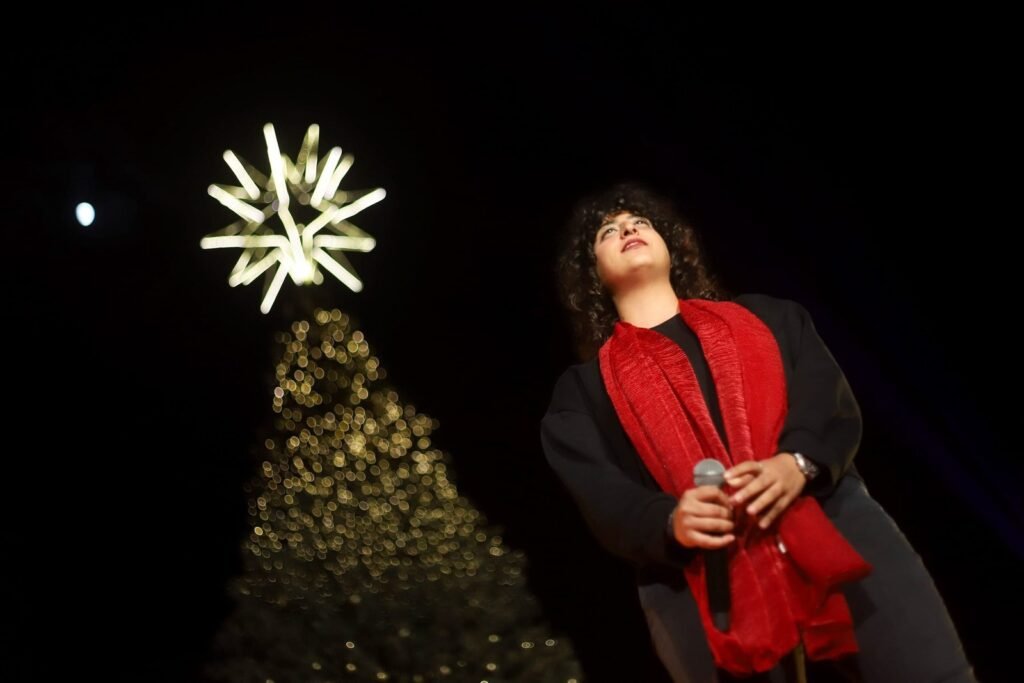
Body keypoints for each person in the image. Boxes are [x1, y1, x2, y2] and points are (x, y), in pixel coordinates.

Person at [539, 182, 977, 682]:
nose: (628, 229)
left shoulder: (772, 318)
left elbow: (829, 405)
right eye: (607, 232)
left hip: (833, 524)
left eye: (640, 222)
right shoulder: (583, 392)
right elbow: (601, 493)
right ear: (592, 274)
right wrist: (669, 519)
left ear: (669, 244)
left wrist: (797, 463)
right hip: (698, 579)